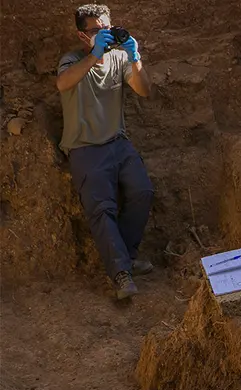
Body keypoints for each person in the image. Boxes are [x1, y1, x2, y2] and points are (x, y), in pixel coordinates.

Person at [57, 4, 154, 300]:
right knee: (102, 210)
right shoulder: (72, 60)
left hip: (117, 142)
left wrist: (134, 58)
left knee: (142, 192)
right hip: (85, 147)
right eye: (95, 31)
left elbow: (144, 90)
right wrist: (94, 54)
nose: (102, 35)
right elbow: (63, 83)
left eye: (106, 30)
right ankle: (121, 273)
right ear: (82, 35)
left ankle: (123, 257)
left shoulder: (119, 58)